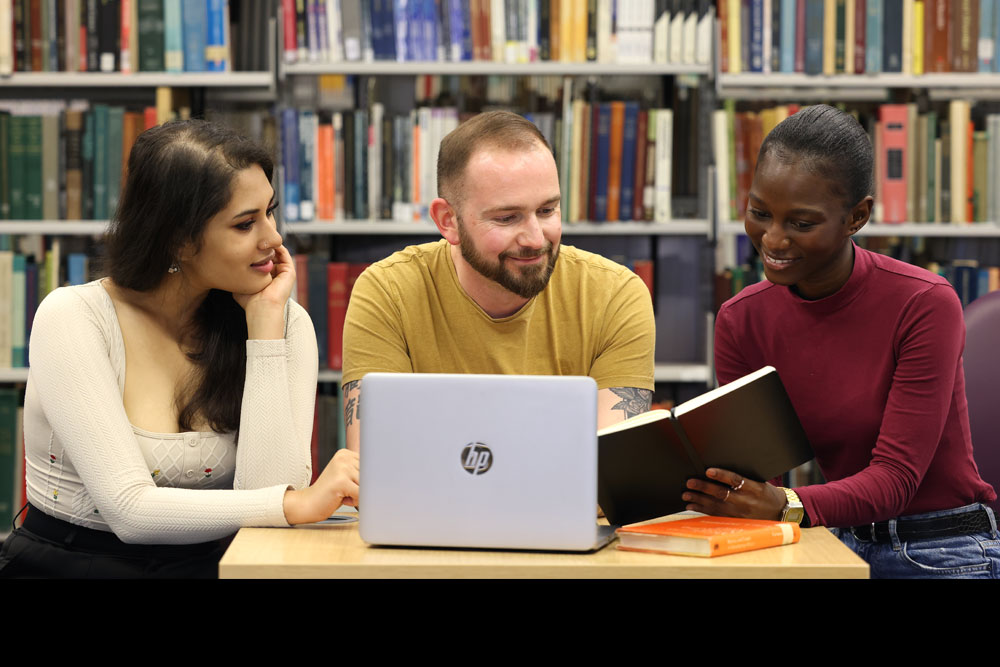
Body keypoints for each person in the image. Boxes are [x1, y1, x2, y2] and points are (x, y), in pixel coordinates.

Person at [0, 119, 359, 579]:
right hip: (74, 564)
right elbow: (129, 511)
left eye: (270, 212)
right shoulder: (73, 317)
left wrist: (266, 329)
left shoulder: (283, 321)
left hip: (215, 565)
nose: (273, 239)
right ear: (180, 240)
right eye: (245, 223)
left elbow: (269, 497)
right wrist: (295, 503)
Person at [683, 104, 998, 578]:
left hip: (940, 544)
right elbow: (754, 481)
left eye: (801, 223)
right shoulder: (740, 319)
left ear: (857, 216)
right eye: (759, 213)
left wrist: (782, 504)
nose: (772, 238)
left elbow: (895, 481)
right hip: (826, 539)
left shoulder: (925, 303)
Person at [341, 110, 656, 450]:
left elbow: (613, 475)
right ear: (448, 221)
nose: (536, 238)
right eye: (507, 218)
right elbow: (377, 467)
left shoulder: (615, 296)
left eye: (547, 210)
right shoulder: (388, 292)